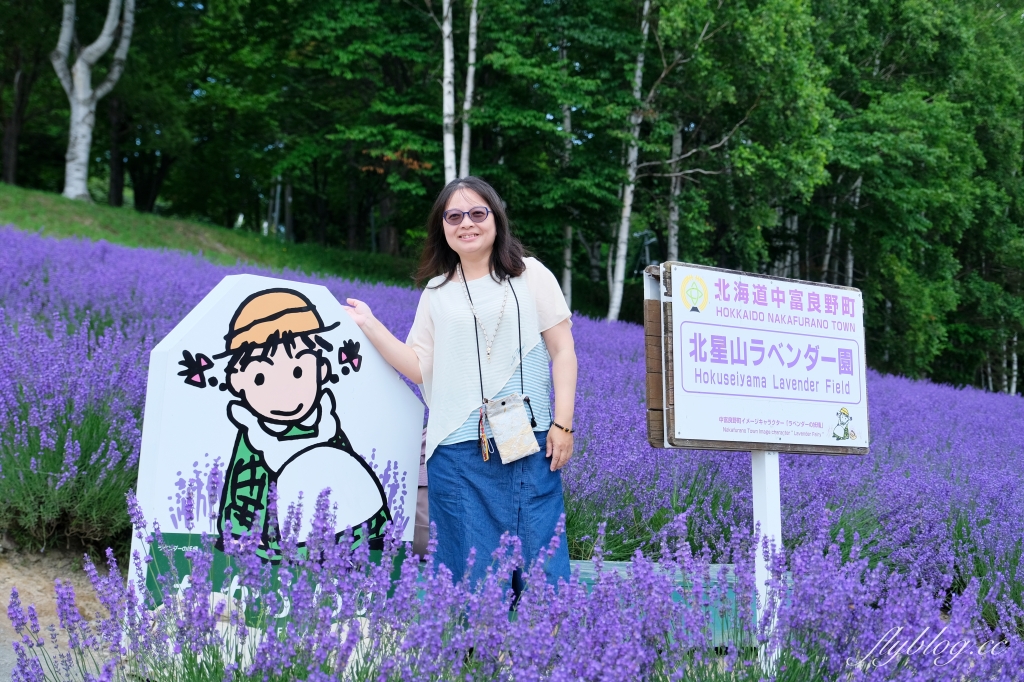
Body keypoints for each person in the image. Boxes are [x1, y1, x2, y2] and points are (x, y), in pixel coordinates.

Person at [344, 176, 577, 589]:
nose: (466, 223)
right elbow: (419, 367)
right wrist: (372, 325)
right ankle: (478, 649)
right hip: (455, 447)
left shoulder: (531, 276)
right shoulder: (436, 292)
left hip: (527, 435)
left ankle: (540, 645)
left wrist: (563, 424)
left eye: (477, 213)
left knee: (538, 542)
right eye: (454, 216)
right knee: (469, 557)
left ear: (496, 219)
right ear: (442, 227)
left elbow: (563, 351)